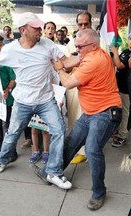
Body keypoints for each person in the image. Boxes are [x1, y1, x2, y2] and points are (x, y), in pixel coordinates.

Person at [0, 12, 80, 189]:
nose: (40, 31)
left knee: (59, 129)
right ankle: (2, 159)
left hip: (46, 100)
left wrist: (85, 55)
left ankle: (54, 171)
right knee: (12, 134)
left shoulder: (47, 44)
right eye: (36, 28)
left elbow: (66, 61)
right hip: (22, 102)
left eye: (40, 27)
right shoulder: (10, 49)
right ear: (23, 30)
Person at [44, 28, 122, 210]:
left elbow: (69, 83)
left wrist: (59, 69)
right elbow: (74, 59)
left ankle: (99, 192)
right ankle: (52, 172)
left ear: (93, 45)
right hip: (91, 111)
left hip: (105, 112)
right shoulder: (91, 52)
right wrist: (59, 59)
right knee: (72, 142)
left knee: (93, 149)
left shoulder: (94, 60)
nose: (77, 48)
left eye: (80, 46)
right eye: (76, 44)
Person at [64, 11, 92, 164]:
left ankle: (89, 149)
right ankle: (78, 150)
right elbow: (67, 66)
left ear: (90, 24)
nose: (83, 27)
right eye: (80, 24)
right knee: (75, 117)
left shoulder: (99, 41)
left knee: (91, 119)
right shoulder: (71, 43)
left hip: (93, 87)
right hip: (74, 87)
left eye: (85, 24)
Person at [109, 33, 131, 147]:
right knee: (118, 112)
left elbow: (120, 65)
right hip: (118, 87)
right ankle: (118, 131)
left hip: (126, 89)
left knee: (125, 113)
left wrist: (115, 52)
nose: (130, 41)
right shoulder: (126, 51)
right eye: (130, 38)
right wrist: (114, 53)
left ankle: (122, 136)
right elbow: (114, 63)